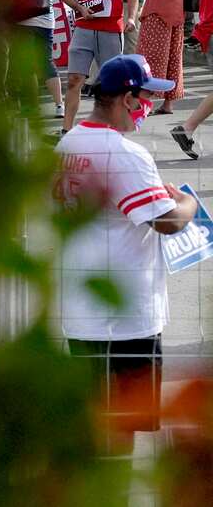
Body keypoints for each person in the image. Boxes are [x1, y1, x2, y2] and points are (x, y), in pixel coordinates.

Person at [54, 54, 197, 453]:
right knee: (123, 430)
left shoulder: (68, 143)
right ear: (128, 99)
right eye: (147, 96)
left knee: (90, 425)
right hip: (127, 316)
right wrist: (187, 203)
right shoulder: (127, 155)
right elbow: (167, 221)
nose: (150, 105)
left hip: (81, 308)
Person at [59, 0, 139, 135]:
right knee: (74, 80)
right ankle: (66, 129)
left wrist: (131, 17)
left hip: (111, 31)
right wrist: (79, 8)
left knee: (113, 84)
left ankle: (115, 129)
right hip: (84, 29)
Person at [7, 0, 63, 116]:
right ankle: (59, 105)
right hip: (46, 19)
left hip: (24, 21)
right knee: (46, 62)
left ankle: (29, 105)